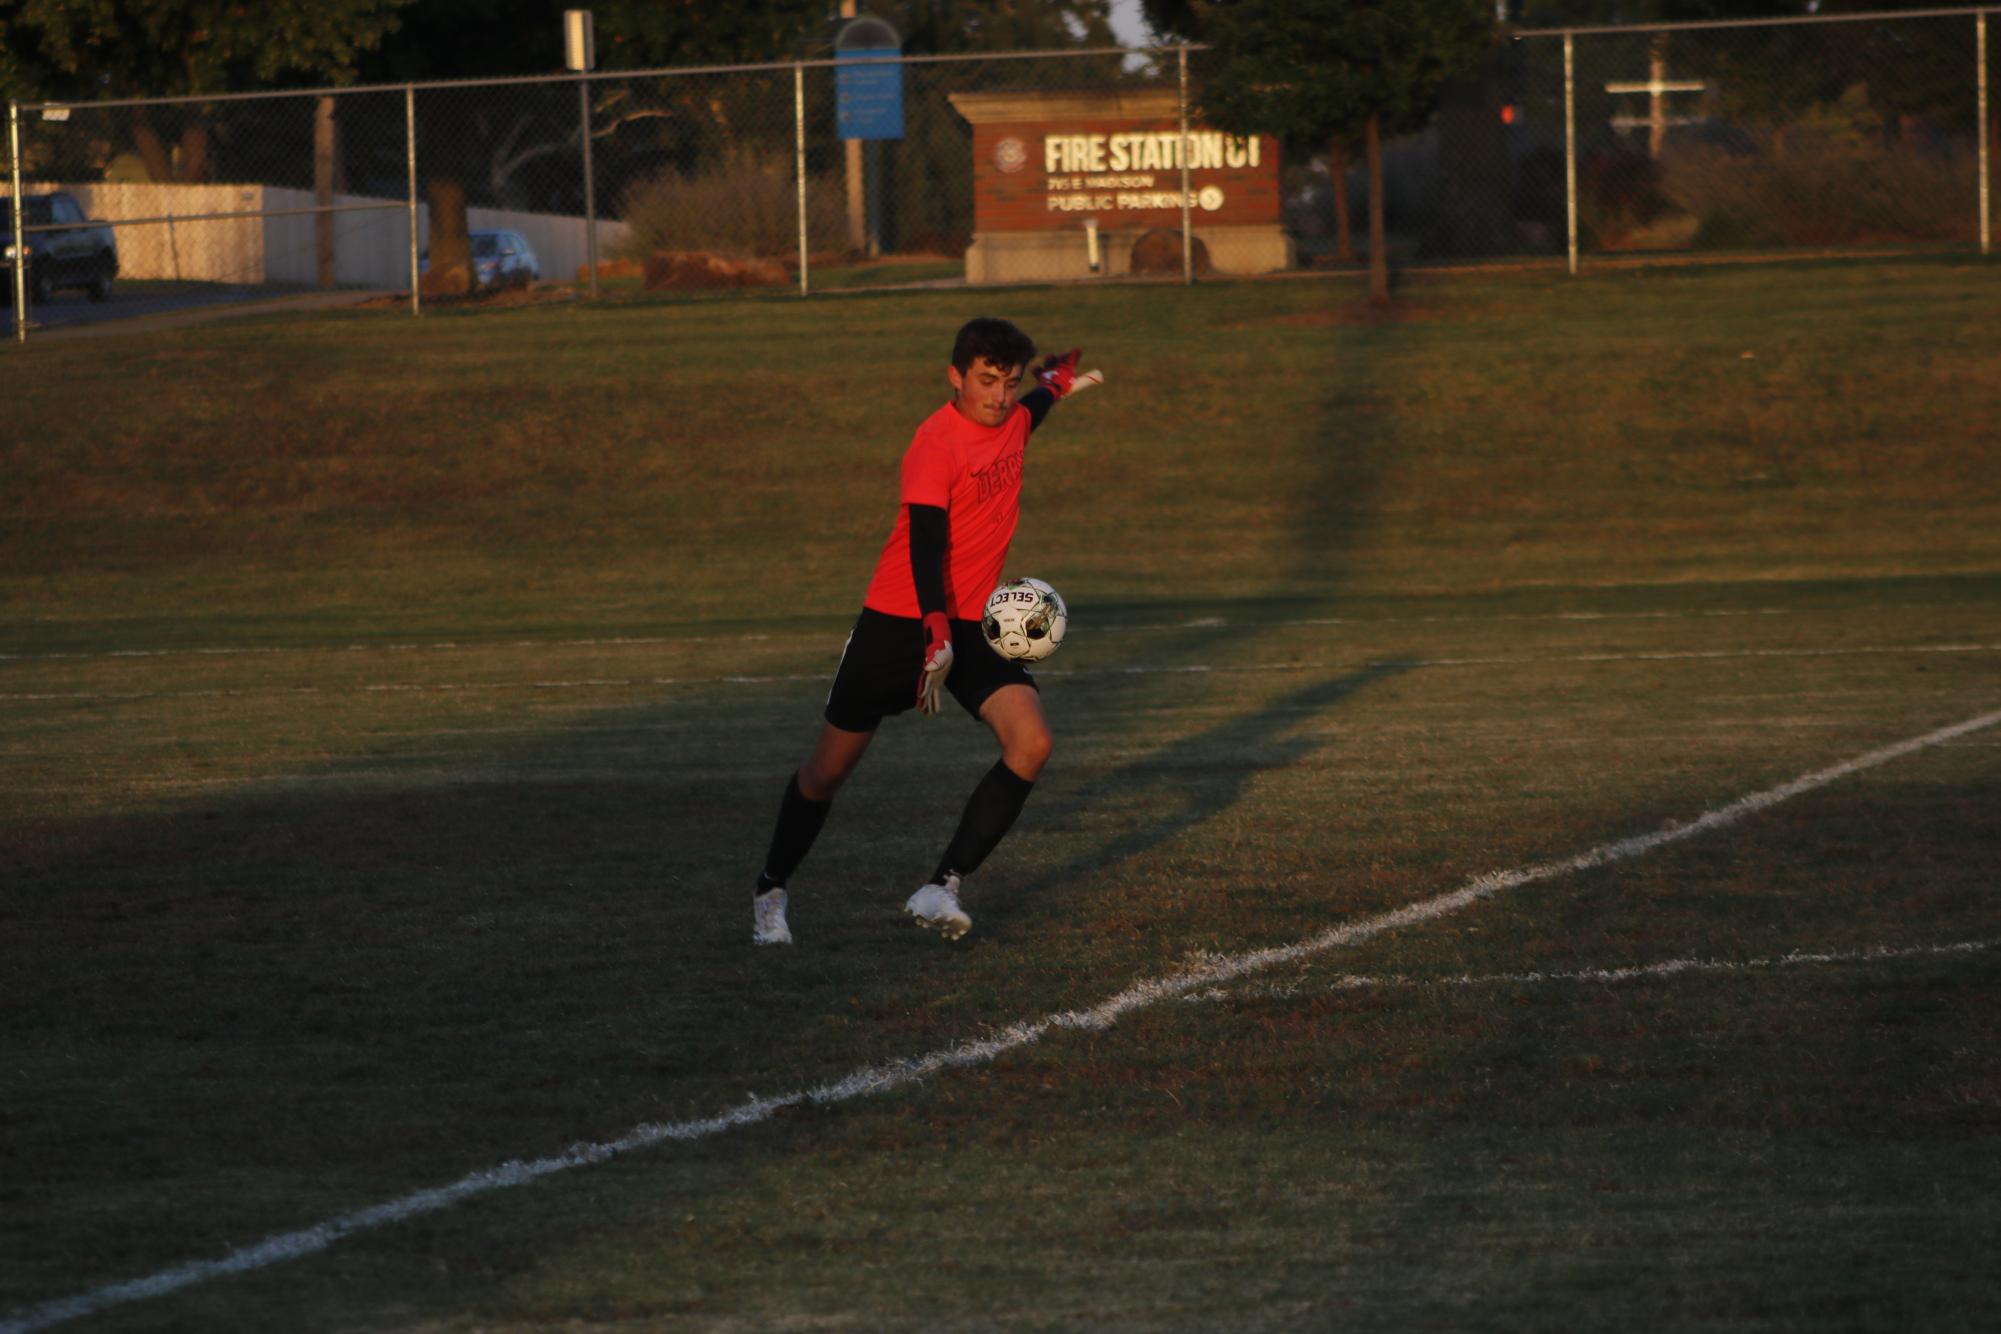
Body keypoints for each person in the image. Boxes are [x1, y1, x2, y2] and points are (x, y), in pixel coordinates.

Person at [750, 316, 1087, 945]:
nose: (1000, 397)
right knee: (827, 774)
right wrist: (933, 628)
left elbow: (1031, 413)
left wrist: (1054, 385)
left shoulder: (1013, 418)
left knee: (1032, 742)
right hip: (899, 622)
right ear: (955, 376)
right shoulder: (935, 443)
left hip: (973, 621)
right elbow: (926, 544)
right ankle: (771, 889)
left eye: (1010, 383)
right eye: (987, 381)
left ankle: (943, 885)